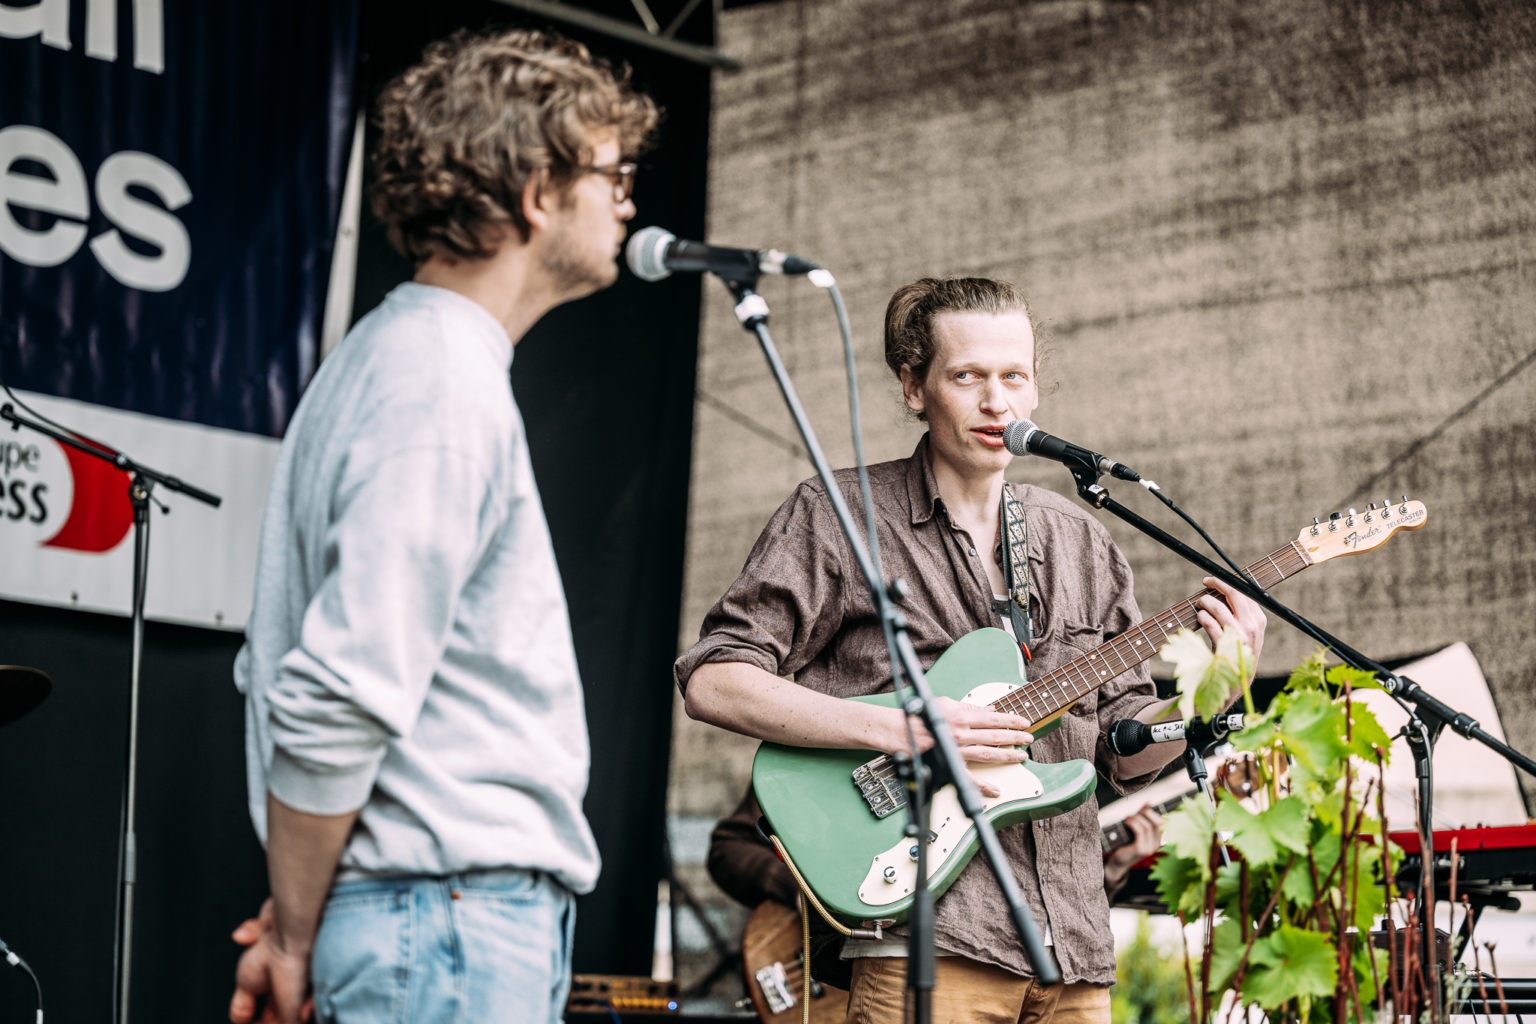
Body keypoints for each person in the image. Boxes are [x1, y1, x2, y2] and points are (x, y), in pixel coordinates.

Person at [676, 276, 1266, 1023]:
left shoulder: (1082, 541)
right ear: (913, 388)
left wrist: (1215, 690)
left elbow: (1125, 752)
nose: (997, 402)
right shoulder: (836, 515)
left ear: (1037, 389)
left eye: (1014, 376)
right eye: (967, 377)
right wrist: (904, 728)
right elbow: (715, 679)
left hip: (1074, 950)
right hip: (927, 939)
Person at [227, 27, 657, 1024]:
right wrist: (295, 935)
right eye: (613, 173)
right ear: (537, 191)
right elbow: (337, 695)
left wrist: (304, 911)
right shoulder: (438, 378)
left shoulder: (393, 360)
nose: (628, 200)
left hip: (428, 917)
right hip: (448, 920)